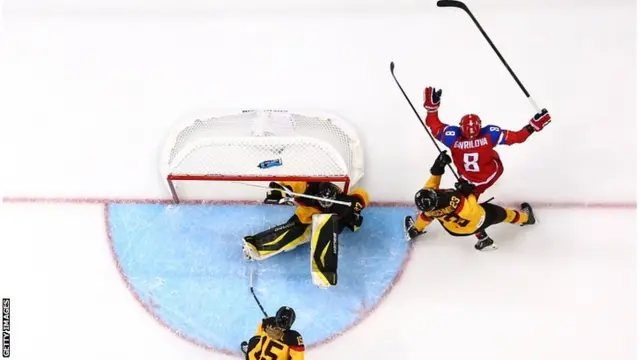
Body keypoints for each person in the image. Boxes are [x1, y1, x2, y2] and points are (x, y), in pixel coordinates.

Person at [422, 86, 552, 197]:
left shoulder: (452, 138)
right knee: (489, 162)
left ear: (460, 126)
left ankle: (472, 197)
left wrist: (431, 110)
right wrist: (533, 126)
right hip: (490, 174)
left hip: (466, 176)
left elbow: (434, 127)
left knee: (466, 202)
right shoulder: (490, 135)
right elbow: (518, 137)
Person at [404, 151, 536, 251]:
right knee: (502, 214)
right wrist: (470, 192)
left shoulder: (430, 211)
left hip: (453, 230)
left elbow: (425, 212)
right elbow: (471, 211)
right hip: (476, 219)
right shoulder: (452, 200)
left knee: (461, 222)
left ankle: (484, 239)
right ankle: (526, 219)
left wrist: (438, 166)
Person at [242, 181, 369, 261]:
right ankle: (256, 247)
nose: (325, 203)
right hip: (304, 219)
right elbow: (296, 184)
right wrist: (285, 189)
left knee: (307, 236)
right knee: (291, 233)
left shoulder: (343, 202)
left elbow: (362, 194)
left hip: (323, 223)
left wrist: (357, 201)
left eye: (328, 201)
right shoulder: (311, 190)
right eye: (322, 200)